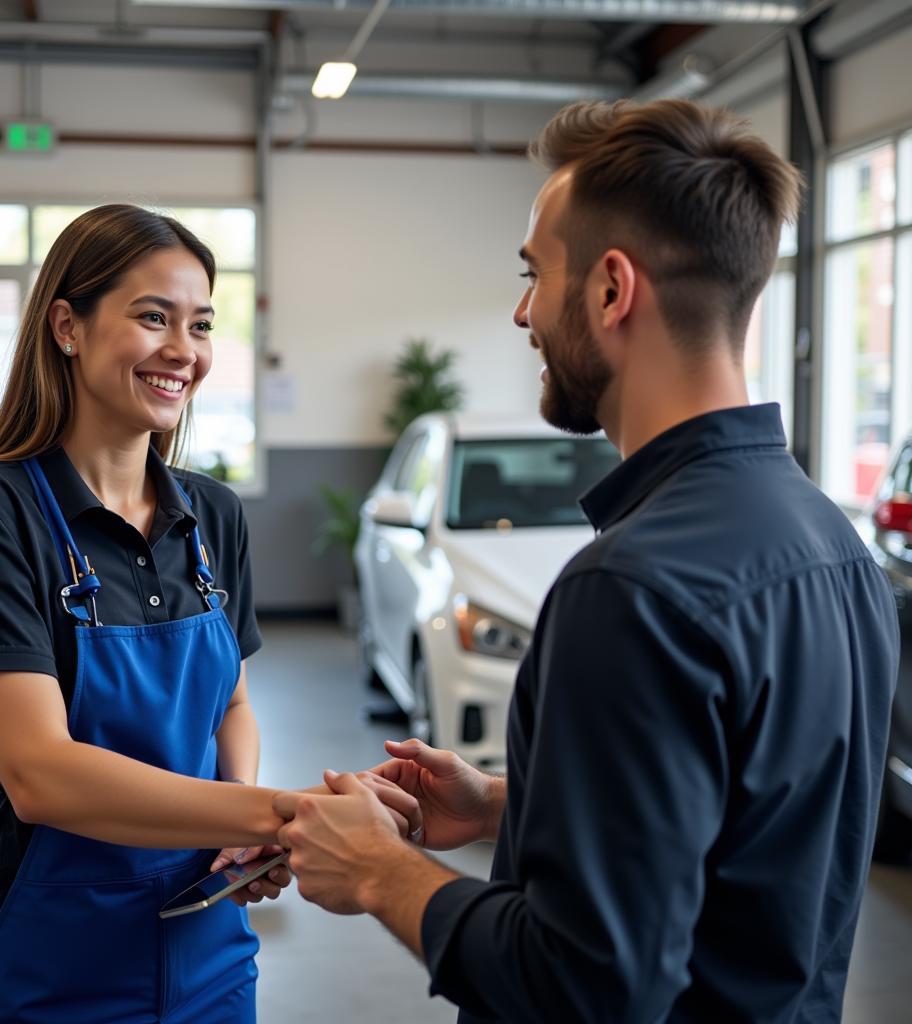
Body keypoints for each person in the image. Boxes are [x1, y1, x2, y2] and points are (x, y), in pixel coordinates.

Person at [273, 100, 901, 1022]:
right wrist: (507, 804)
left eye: (534, 274)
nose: (524, 312)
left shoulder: (631, 588)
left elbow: (585, 984)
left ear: (611, 290)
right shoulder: (829, 541)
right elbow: (754, 819)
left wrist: (380, 872)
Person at [0, 204, 417, 1024]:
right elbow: (40, 773)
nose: (184, 351)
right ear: (67, 327)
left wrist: (240, 828)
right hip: (55, 963)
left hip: (207, 941)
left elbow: (234, 701)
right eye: (154, 317)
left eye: (202, 325)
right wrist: (280, 812)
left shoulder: (212, 516)